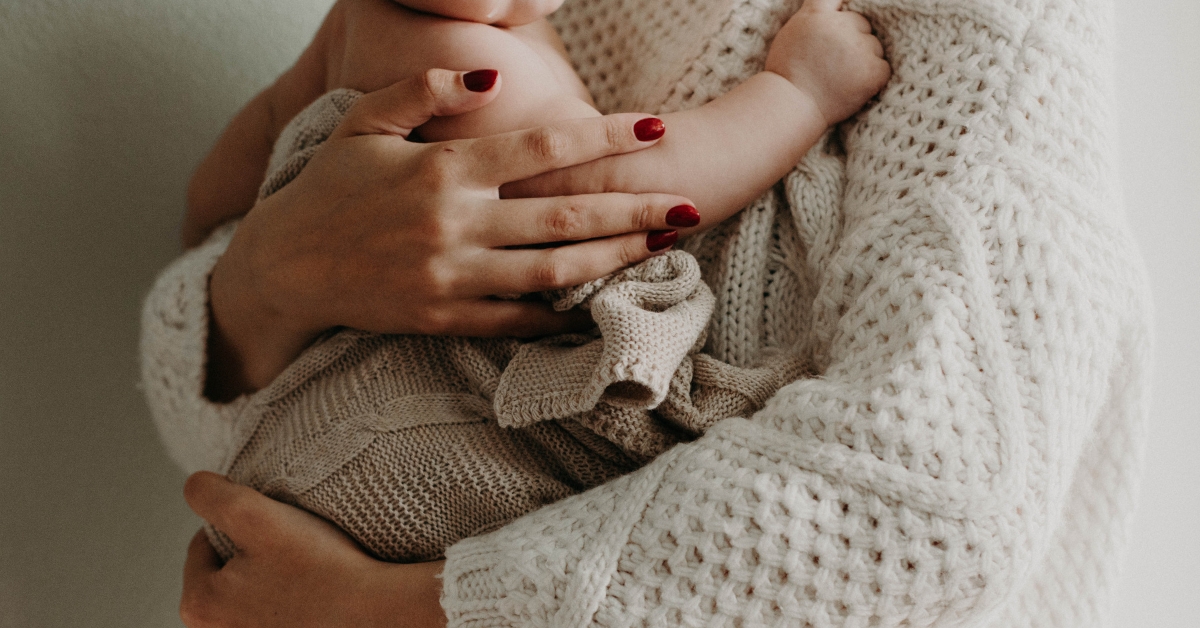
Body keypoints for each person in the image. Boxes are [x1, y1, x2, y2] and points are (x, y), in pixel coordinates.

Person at [143, 0, 1152, 626]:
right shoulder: (434, 37)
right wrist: (278, 272)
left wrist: (387, 612)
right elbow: (216, 390)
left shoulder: (1001, 41)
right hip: (356, 478)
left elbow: (938, 504)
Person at [179, 0, 890, 565]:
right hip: (440, 424)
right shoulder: (448, 47)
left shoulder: (355, 28)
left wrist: (257, 238)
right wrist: (799, 91)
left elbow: (218, 191)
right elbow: (614, 188)